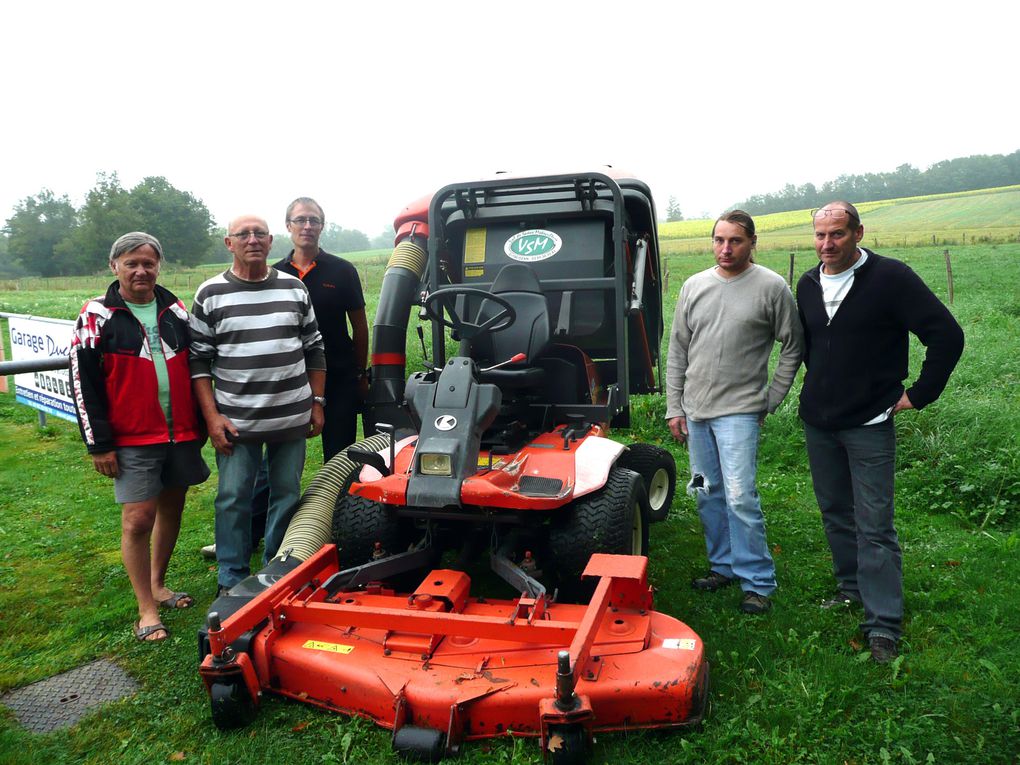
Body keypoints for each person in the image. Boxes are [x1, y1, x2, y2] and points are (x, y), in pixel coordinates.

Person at [798, 201, 964, 663]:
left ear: (858, 233)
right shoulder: (808, 283)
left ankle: (883, 624)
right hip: (819, 422)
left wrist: (919, 394)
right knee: (835, 511)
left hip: (869, 422)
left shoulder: (892, 278)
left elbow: (946, 334)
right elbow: (815, 347)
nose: (827, 244)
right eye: (820, 235)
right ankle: (851, 588)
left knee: (875, 524)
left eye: (837, 234)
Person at [198, 198, 369, 560]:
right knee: (254, 480)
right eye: (300, 220)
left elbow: (357, 327)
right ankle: (251, 538)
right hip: (259, 399)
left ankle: (331, 529)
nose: (307, 226)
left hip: (329, 381)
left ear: (322, 226)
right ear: (288, 228)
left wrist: (358, 372)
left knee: (334, 459)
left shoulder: (340, 271)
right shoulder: (273, 272)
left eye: (314, 220)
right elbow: (201, 358)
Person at [70, 232, 209, 642]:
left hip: (180, 432)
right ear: (114, 267)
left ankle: (159, 584)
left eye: (148, 263)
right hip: (132, 437)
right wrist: (99, 443)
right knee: (137, 519)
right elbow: (83, 382)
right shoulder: (97, 315)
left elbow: (199, 365)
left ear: (158, 267)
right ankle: (146, 609)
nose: (141, 270)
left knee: (172, 509)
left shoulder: (176, 310)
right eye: (131, 262)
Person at [666, 210, 803, 615]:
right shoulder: (694, 286)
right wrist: (676, 406)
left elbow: (793, 345)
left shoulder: (771, 287)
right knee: (706, 491)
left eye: (735, 241)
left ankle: (757, 581)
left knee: (741, 496)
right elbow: (677, 350)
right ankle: (722, 566)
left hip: (740, 412)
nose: (726, 249)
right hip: (696, 412)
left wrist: (771, 398)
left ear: (752, 243)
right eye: (719, 240)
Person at [189, 215, 326, 595]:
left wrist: (316, 402)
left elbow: (314, 349)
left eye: (260, 234)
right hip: (236, 422)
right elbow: (198, 362)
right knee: (233, 499)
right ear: (228, 243)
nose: (253, 240)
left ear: (270, 242)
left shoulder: (294, 288)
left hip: (291, 418)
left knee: (286, 495)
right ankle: (230, 578)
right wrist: (212, 418)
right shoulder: (211, 293)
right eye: (243, 234)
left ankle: (274, 571)